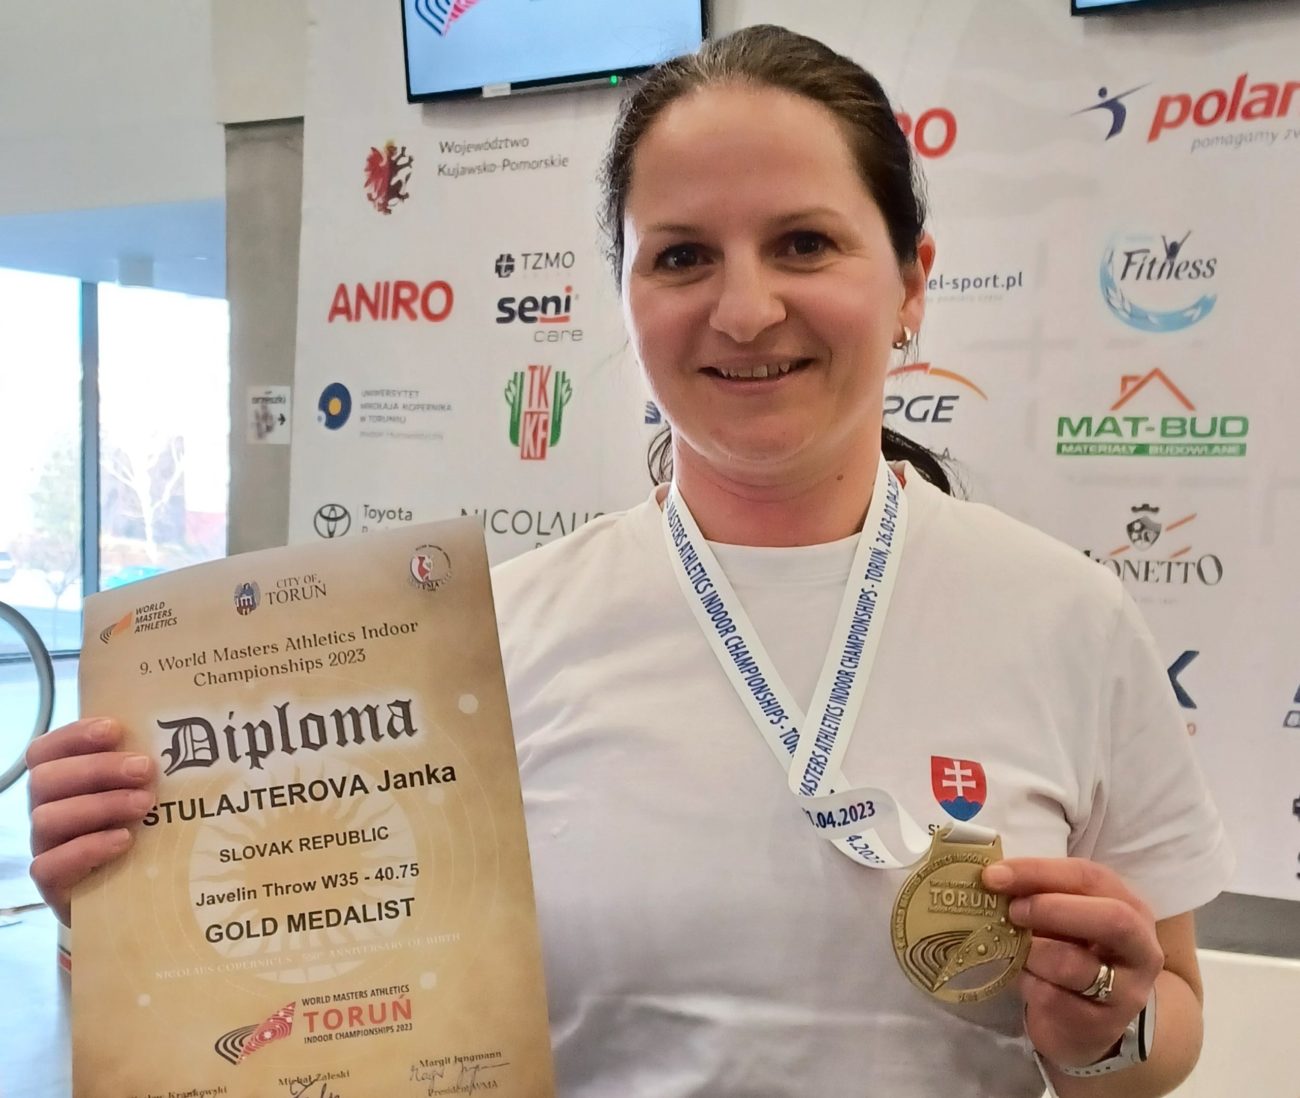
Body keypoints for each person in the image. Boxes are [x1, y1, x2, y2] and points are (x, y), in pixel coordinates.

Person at [26, 25, 1232, 1098]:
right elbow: (312, 1019)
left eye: (803, 243)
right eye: (681, 256)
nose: (745, 309)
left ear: (912, 283)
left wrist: (1106, 1030)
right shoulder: (484, 644)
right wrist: (127, 914)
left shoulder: (1067, 619)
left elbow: (1159, 1028)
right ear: (620, 293)